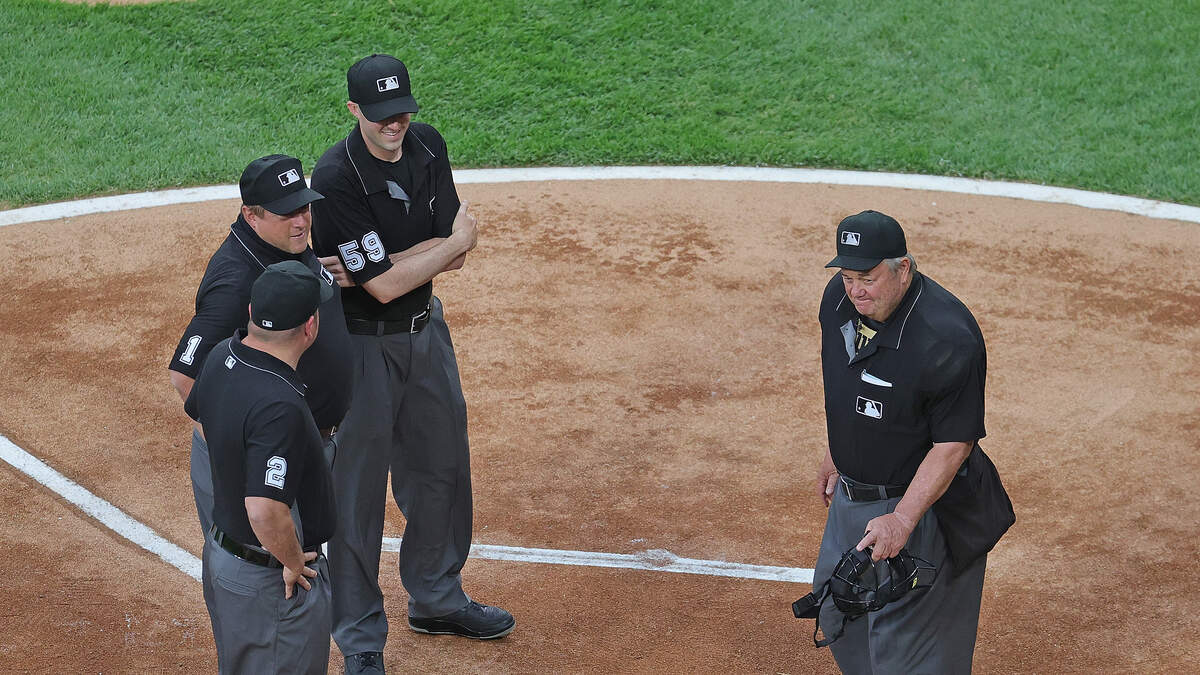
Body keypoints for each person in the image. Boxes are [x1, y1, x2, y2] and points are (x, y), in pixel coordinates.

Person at [309, 53, 513, 672]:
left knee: (442, 471)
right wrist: (446, 245)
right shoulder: (336, 178)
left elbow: (428, 263)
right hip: (361, 349)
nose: (394, 125)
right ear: (354, 112)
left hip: (428, 338)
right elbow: (388, 287)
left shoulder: (427, 145)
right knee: (357, 496)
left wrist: (412, 258)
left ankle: (436, 597)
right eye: (380, 116)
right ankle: (360, 638)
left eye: (400, 111)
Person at [809, 210, 989, 673]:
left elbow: (954, 445)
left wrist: (902, 520)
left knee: (907, 654)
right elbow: (850, 380)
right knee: (837, 609)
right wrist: (838, 447)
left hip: (921, 512)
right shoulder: (839, 302)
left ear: (903, 268)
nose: (855, 290)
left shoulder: (945, 338)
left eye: (867, 277)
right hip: (852, 500)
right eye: (847, 276)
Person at [168, 154, 353, 542]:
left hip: (304, 445)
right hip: (268, 462)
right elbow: (185, 372)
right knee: (271, 579)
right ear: (251, 216)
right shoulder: (237, 280)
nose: (301, 220)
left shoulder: (284, 243)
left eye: (303, 207)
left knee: (310, 571)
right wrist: (238, 447)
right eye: (287, 213)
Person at [185, 260, 338, 674]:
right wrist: (291, 561)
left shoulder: (221, 356)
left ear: (252, 314)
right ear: (310, 327)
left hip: (225, 556)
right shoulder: (280, 404)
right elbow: (265, 508)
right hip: (270, 580)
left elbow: (203, 419)